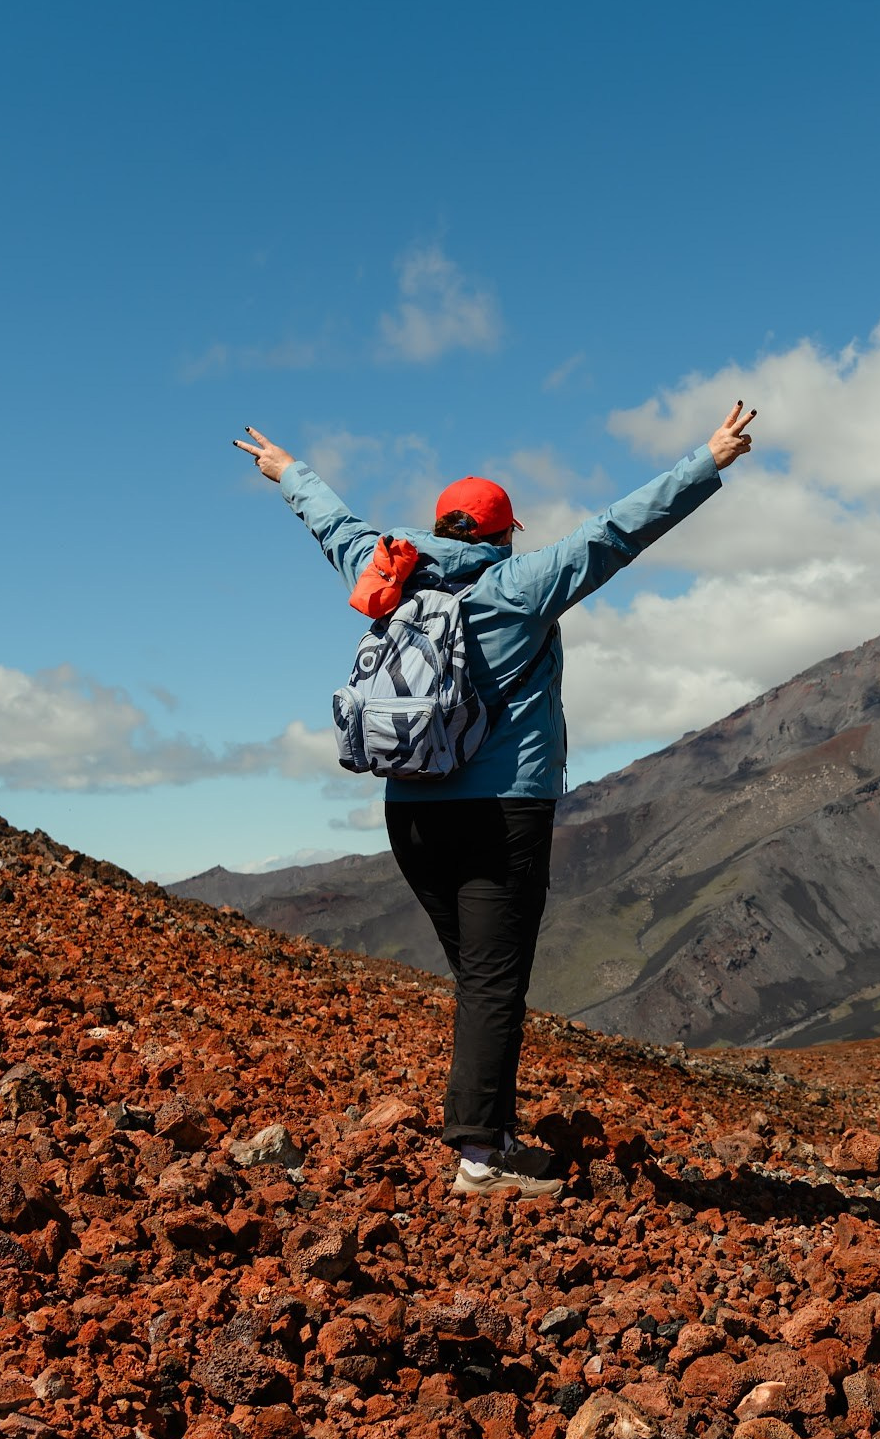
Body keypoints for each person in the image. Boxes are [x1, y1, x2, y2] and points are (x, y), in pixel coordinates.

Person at [233, 404, 758, 1195]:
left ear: (442, 527)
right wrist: (708, 459)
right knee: (491, 980)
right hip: (500, 811)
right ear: (503, 534)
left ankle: (495, 1132)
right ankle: (481, 1155)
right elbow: (617, 531)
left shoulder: (389, 571)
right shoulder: (520, 587)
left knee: (485, 976)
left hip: (408, 812)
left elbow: (335, 527)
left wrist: (288, 472)